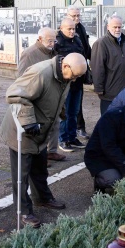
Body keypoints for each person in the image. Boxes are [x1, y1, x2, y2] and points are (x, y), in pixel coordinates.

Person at [0, 53, 87, 228]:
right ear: (66, 66)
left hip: (41, 129)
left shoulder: (65, 75)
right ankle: (24, 211)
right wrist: (29, 122)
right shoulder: (41, 72)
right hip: (23, 129)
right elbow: (15, 95)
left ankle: (42, 198)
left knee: (40, 168)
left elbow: (57, 96)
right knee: (21, 175)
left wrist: (59, 113)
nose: (75, 80)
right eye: (75, 75)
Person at [17, 27, 65, 162]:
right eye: (49, 41)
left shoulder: (54, 52)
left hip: (53, 93)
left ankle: (52, 151)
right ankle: (39, 157)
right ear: (39, 39)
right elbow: (21, 77)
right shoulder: (29, 53)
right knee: (40, 128)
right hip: (37, 96)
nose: (52, 44)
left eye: (54, 41)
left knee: (55, 123)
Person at [91, 15, 125, 114]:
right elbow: (97, 67)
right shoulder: (101, 43)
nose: (117, 29)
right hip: (109, 92)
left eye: (119, 27)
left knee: (123, 121)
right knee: (108, 121)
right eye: (114, 27)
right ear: (108, 27)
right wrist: (99, 88)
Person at [55, 18, 86, 152]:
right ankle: (63, 139)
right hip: (65, 83)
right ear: (61, 28)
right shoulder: (58, 42)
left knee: (74, 112)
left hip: (77, 83)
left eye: (73, 28)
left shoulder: (77, 40)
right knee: (64, 113)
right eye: (69, 29)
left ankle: (72, 137)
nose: (72, 31)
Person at [66, 6, 92, 139]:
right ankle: (70, 132)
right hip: (69, 74)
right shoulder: (63, 33)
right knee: (68, 105)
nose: (76, 18)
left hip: (80, 72)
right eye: (73, 16)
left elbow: (86, 48)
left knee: (77, 103)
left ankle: (79, 128)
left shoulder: (81, 28)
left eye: (78, 15)